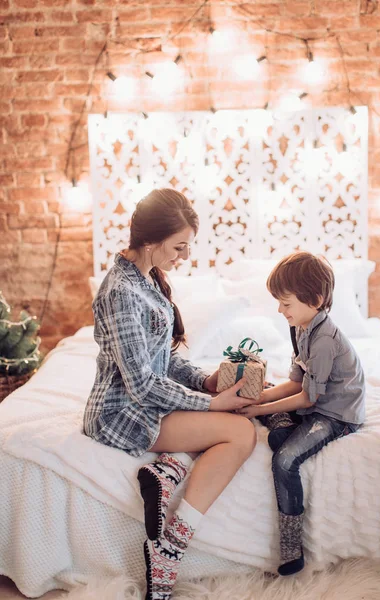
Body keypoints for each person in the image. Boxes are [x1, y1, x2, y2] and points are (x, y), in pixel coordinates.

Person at [83, 188, 258, 600]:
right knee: (239, 432)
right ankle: (169, 549)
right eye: (179, 246)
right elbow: (143, 383)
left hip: (146, 403)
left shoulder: (146, 278)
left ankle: (167, 471)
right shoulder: (120, 292)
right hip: (120, 412)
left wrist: (206, 381)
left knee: (237, 419)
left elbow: (164, 360)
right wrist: (214, 404)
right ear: (151, 240)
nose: (183, 256)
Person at [237, 251, 365, 576]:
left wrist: (261, 408)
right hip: (313, 400)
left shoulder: (324, 340)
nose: (280, 311)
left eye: (286, 303)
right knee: (264, 388)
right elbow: (295, 381)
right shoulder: (301, 328)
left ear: (316, 299)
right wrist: (261, 396)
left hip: (335, 413)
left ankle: (292, 550)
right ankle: (283, 428)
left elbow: (307, 398)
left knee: (283, 460)